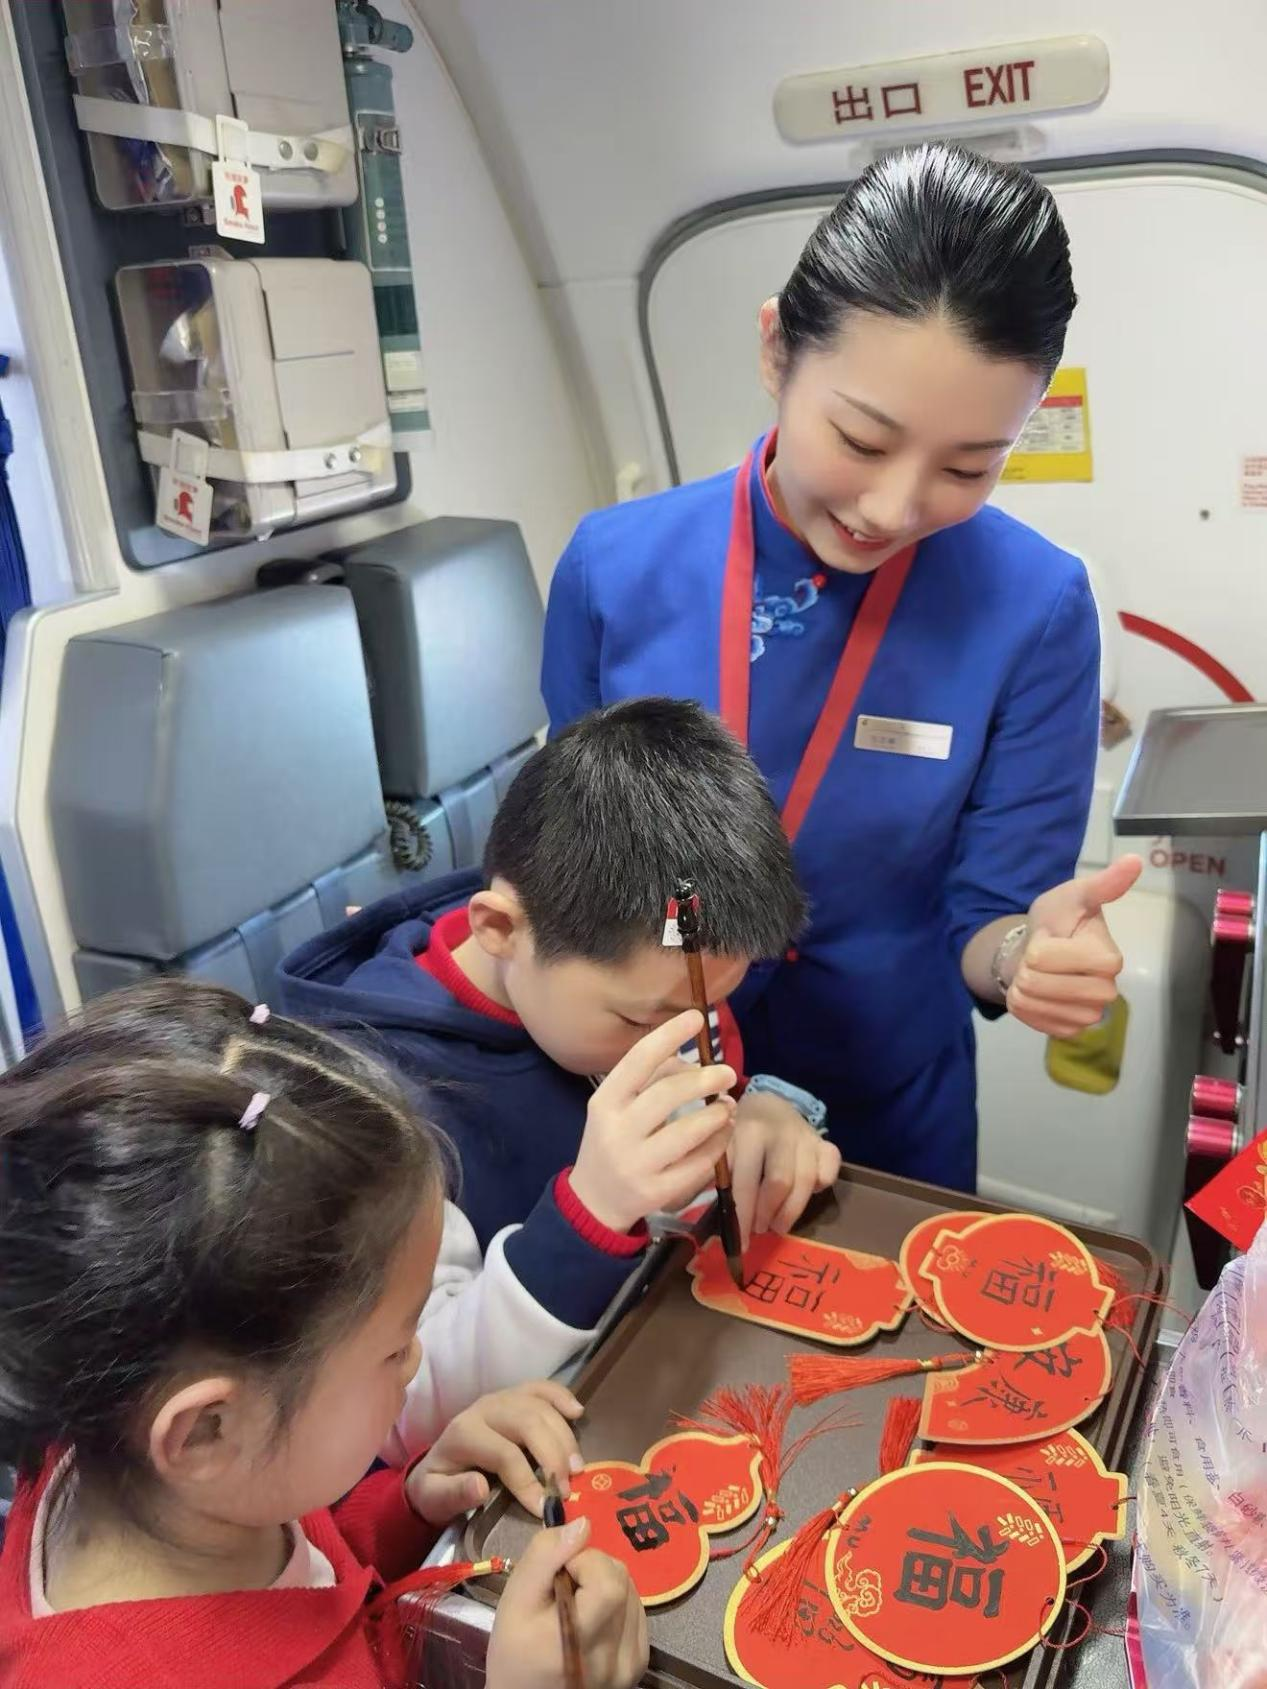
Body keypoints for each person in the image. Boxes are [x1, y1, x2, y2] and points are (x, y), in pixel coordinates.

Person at [542, 143, 1141, 1193]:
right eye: (861, 440)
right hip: (655, 1087)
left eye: (968, 466)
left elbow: (991, 913)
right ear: (777, 351)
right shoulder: (615, 566)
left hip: (885, 1105)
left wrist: (1024, 959)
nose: (892, 509)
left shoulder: (1036, 608)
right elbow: (575, 867)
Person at [0, 979, 647, 1689]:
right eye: (396, 1347)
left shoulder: (149, 1456)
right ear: (205, 1430)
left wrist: (406, 1506)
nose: (417, 1359)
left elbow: (313, 1569)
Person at [278, 697, 839, 1445]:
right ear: (499, 928)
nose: (680, 1041)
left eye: (707, 1011)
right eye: (642, 1021)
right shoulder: (373, 1111)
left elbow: (695, 1092)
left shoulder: (640, 968)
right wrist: (590, 1216)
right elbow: (402, 1410)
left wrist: (763, 1112)